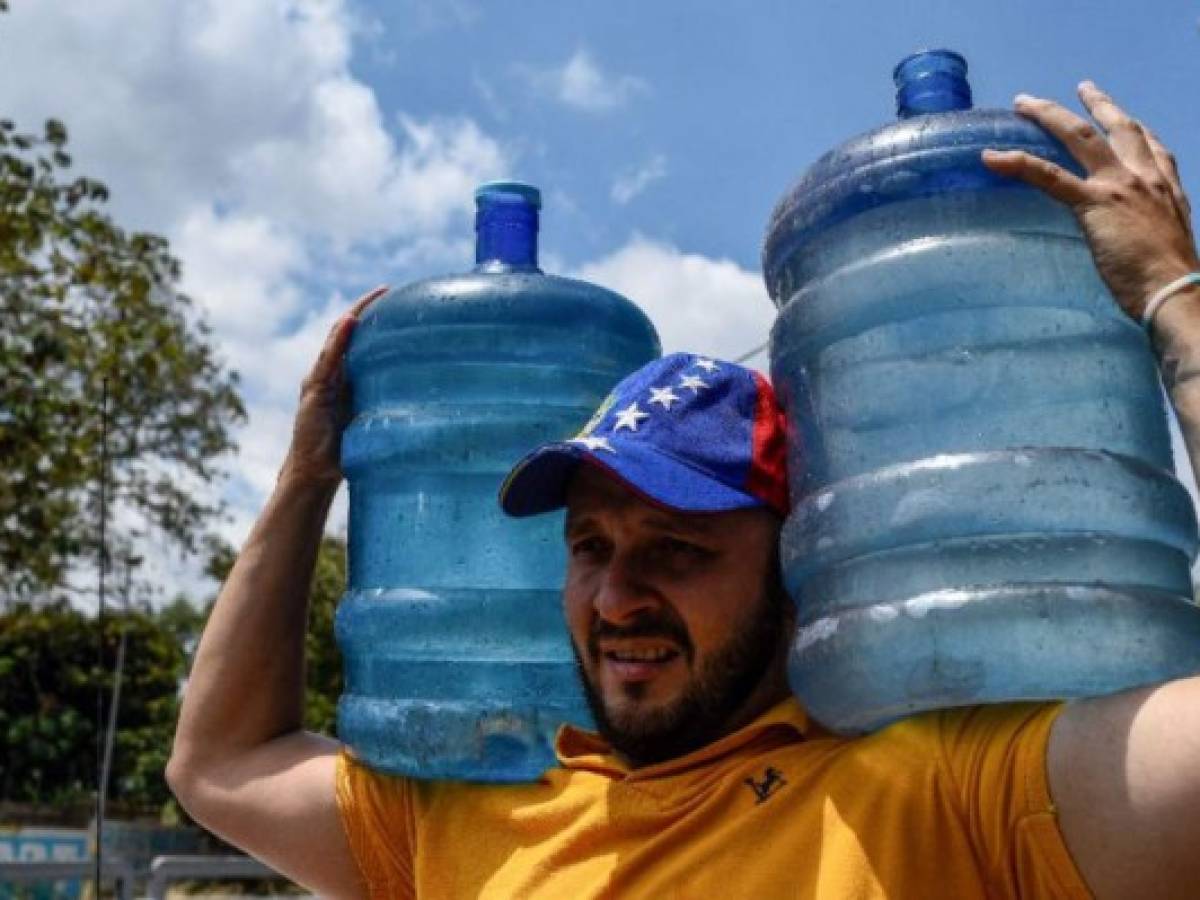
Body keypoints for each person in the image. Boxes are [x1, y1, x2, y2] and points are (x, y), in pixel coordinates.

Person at [168, 83, 1200, 899]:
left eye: (678, 547)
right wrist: (310, 477)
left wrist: (1171, 300)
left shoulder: (943, 794)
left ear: (801, 565)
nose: (617, 597)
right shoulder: (473, 814)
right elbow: (218, 764)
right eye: (589, 547)